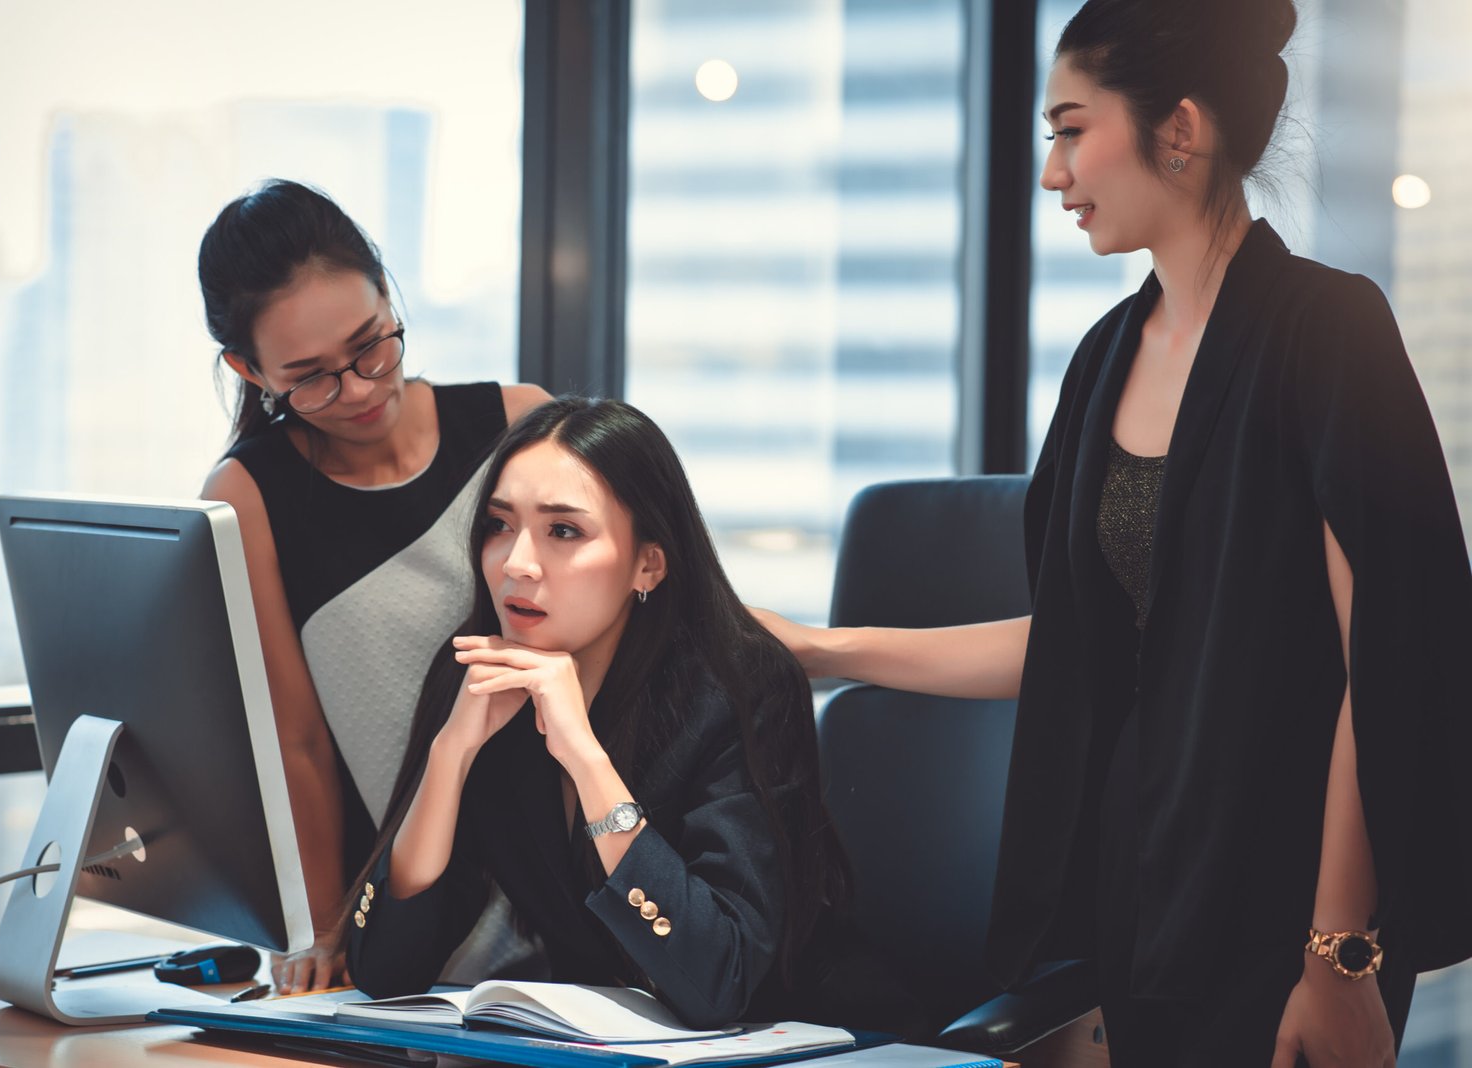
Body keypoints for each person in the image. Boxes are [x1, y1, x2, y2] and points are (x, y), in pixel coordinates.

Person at [755, 1, 1472, 1064]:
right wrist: (821, 650)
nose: (1052, 172)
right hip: (1139, 901)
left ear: (1177, 130)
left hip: (1289, 911)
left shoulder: (1327, 332)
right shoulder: (1102, 360)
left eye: (1069, 128)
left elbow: (1389, 666)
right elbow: (1080, 647)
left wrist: (1335, 955)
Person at [344, 397, 854, 1030]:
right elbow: (383, 972)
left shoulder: (739, 686)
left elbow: (722, 982)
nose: (516, 562)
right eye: (499, 525)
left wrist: (585, 759)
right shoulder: (477, 676)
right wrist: (449, 756)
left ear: (648, 563)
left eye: (564, 531)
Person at [198, 179, 548, 993]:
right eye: (310, 376)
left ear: (389, 298)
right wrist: (321, 928)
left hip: (561, 859)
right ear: (249, 370)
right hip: (401, 906)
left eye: (371, 345)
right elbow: (300, 743)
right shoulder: (247, 498)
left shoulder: (519, 422)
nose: (358, 390)